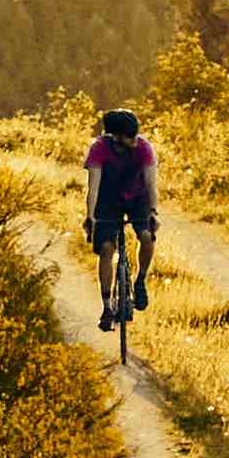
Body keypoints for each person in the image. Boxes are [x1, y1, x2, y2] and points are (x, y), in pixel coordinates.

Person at [82, 102, 159, 334]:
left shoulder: (144, 148)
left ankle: (141, 281)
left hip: (138, 197)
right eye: (129, 137)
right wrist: (90, 216)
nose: (134, 140)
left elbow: (151, 184)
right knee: (106, 249)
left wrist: (153, 212)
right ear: (114, 137)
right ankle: (107, 307)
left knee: (146, 236)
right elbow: (93, 188)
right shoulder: (99, 149)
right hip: (108, 199)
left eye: (135, 135)